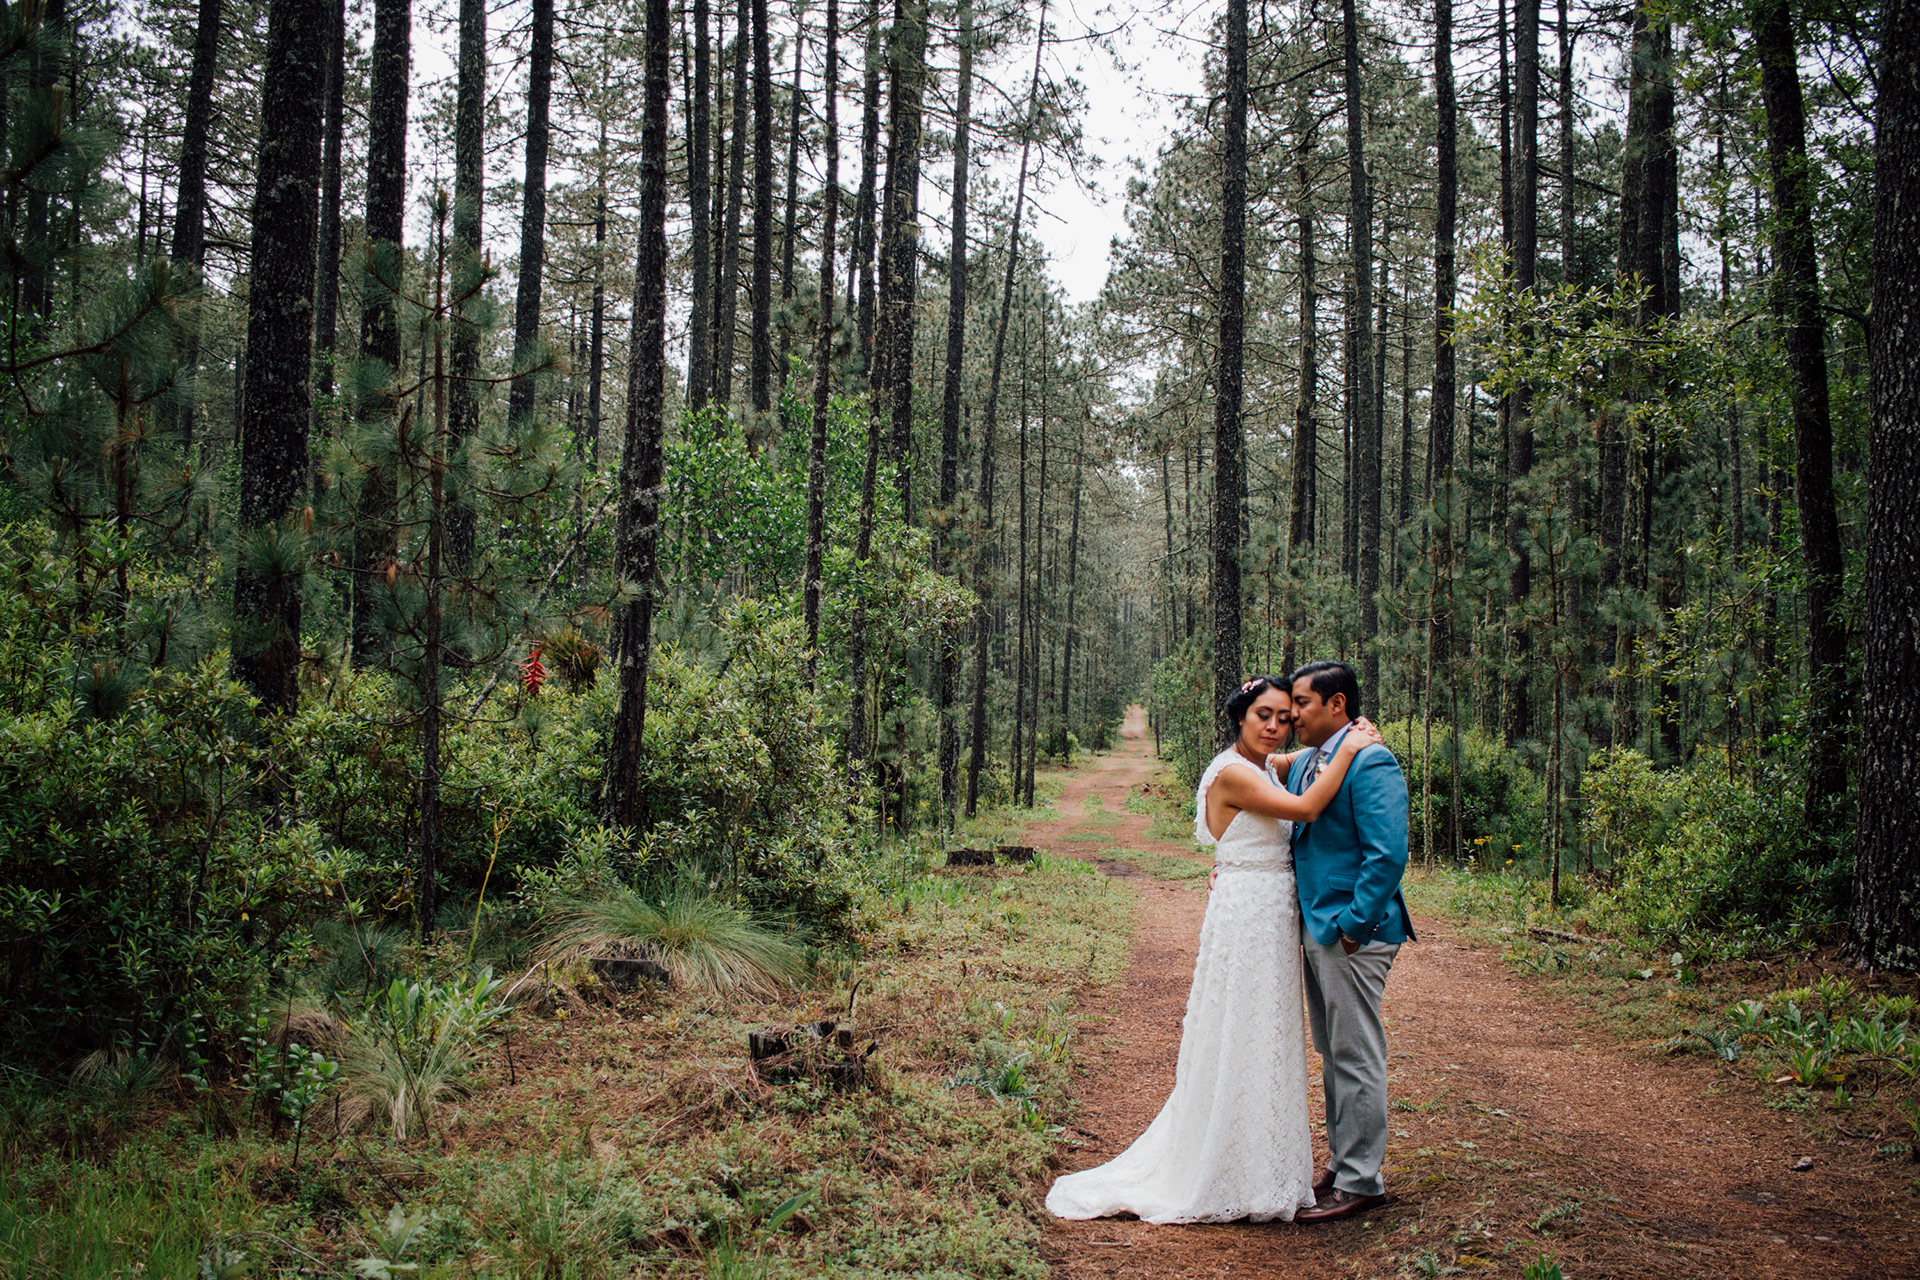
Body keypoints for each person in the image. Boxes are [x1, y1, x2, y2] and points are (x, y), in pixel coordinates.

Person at [1045, 675, 1383, 1224]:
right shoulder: (1234, 773)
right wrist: (1350, 747)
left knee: (1265, 1032)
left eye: (1284, 717)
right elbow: (1306, 808)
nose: (1274, 726)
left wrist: (1341, 736)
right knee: (1243, 1030)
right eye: (1263, 715)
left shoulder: (1261, 764)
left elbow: (1301, 758)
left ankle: (1261, 1158)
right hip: (1251, 915)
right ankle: (1233, 1164)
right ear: (1240, 717)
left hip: (1266, 909)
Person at [1283, 659, 1415, 1223]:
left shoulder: (1372, 760)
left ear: (1337, 704)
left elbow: (1388, 853)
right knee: (1335, 1050)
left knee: (1356, 1052)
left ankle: (1362, 1180)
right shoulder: (1307, 762)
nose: (1292, 714)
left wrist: (1354, 926)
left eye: (1302, 703)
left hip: (1352, 933)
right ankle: (1343, 1165)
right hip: (1319, 928)